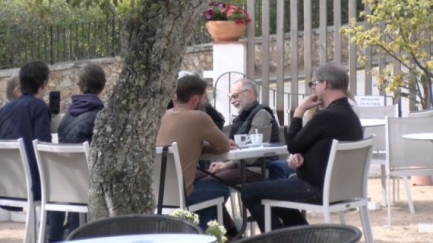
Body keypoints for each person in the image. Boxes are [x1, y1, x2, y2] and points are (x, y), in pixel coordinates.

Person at [241, 62, 363, 232]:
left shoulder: (326, 116)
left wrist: (299, 111)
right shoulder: (351, 116)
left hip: (316, 189)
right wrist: (302, 155)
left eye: (313, 84)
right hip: (342, 189)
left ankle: (283, 239)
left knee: (250, 192)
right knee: (273, 191)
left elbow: (293, 144)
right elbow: (318, 147)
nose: (313, 88)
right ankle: (305, 236)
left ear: (324, 84)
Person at [157, 74, 232, 231]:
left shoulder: (162, 116)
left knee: (205, 188)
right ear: (195, 99)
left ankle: (196, 233)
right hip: (184, 195)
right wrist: (202, 145)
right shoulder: (199, 117)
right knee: (221, 190)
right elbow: (224, 146)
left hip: (158, 195)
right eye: (205, 97)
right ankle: (203, 234)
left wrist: (199, 145)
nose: (206, 101)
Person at [47, 64, 106, 242]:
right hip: (85, 187)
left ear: (79, 85)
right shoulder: (101, 115)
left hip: (63, 184)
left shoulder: (67, 116)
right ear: (103, 85)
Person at [0, 61, 52, 203]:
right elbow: (44, 148)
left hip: (7, 185)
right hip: (32, 187)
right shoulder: (39, 108)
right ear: (43, 83)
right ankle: (55, 226)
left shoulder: (4, 111)